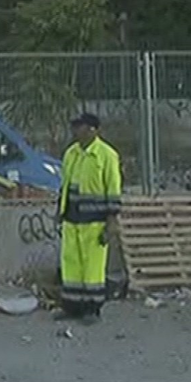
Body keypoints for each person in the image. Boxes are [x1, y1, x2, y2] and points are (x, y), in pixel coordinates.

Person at [55, 112, 122, 325]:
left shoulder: (106, 155)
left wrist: (112, 221)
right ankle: (72, 306)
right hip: (72, 219)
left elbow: (113, 189)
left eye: (80, 127)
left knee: (92, 267)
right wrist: (60, 210)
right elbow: (65, 185)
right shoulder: (71, 154)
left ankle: (92, 309)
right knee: (71, 264)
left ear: (93, 130)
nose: (75, 131)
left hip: (94, 221)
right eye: (75, 127)